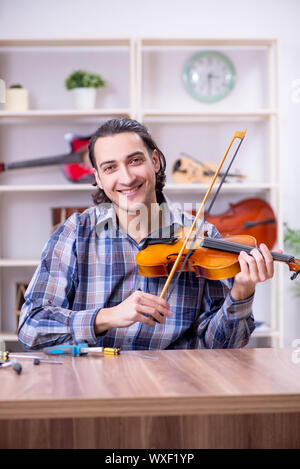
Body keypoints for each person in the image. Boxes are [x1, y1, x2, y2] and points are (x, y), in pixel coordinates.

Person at [18, 117, 276, 351]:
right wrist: (107, 316)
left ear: (154, 161)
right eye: (110, 168)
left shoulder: (201, 235)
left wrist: (242, 292)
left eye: (135, 160)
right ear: (97, 177)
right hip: (93, 384)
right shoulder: (75, 233)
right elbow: (31, 327)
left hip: (174, 386)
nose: (127, 177)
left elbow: (222, 347)